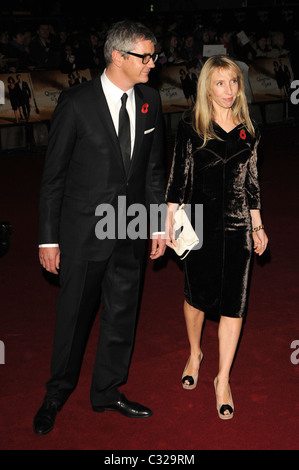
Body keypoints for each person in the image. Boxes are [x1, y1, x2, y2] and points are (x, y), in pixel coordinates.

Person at [33, 20, 166, 435]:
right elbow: (52, 178)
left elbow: (154, 172)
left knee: (122, 315)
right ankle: (56, 393)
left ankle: (107, 391)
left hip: (131, 228)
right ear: (117, 56)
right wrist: (48, 238)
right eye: (145, 57)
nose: (152, 64)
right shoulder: (75, 104)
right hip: (82, 233)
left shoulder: (151, 101)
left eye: (153, 56)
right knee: (74, 316)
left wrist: (158, 225)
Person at [165, 56, 268, 420]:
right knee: (196, 299)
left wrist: (257, 226)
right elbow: (178, 179)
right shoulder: (192, 126)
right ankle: (195, 353)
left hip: (238, 227)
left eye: (234, 83)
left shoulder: (248, 130)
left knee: (233, 304)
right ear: (207, 86)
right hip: (197, 225)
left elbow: (252, 184)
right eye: (221, 83)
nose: (229, 91)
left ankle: (222, 379)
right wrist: (167, 223)